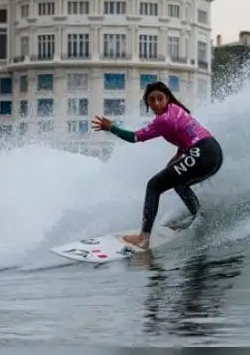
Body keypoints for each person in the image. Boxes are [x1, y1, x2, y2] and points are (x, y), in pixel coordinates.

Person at [92, 81, 224, 250]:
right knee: (179, 184)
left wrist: (112, 128)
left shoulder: (164, 120)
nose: (155, 103)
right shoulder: (176, 109)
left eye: (159, 98)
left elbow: (134, 137)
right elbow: (187, 134)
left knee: (153, 185)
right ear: (147, 103)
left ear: (167, 98)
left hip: (203, 153)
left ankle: (143, 238)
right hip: (213, 153)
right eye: (151, 100)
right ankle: (199, 216)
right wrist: (178, 156)